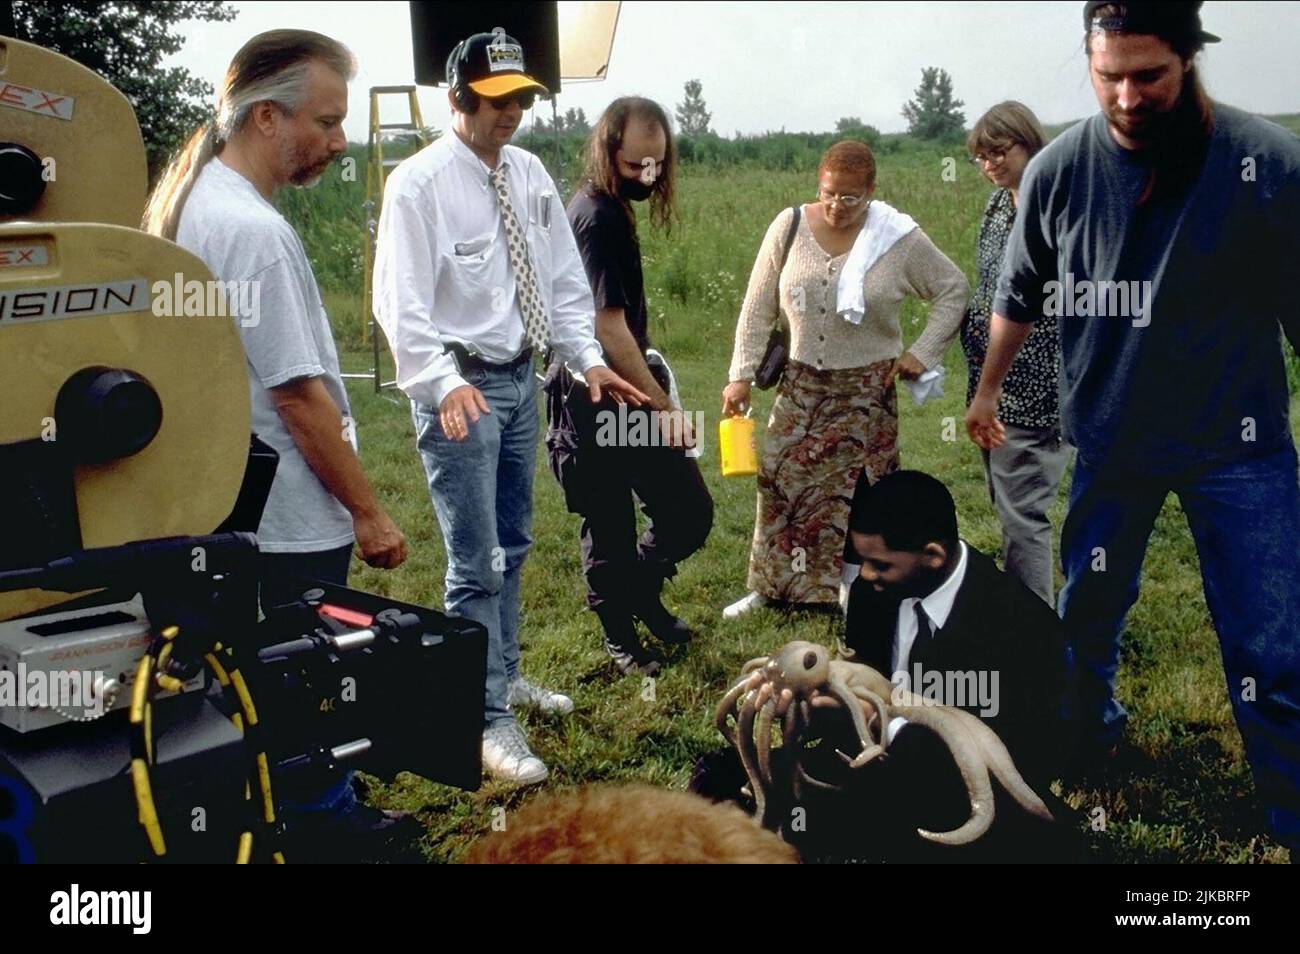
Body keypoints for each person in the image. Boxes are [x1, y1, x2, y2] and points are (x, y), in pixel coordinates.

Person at [965, 1, 1300, 851]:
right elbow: (1019, 295)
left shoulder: (1265, 163)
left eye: (1147, 74)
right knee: (1088, 613)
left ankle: (1289, 808)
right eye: (1106, 73)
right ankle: (1089, 741)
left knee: (1271, 643)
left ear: (1190, 60)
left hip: (1241, 449)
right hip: (1112, 441)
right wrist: (988, 389)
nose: (1124, 94)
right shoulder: (1057, 172)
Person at [144, 30, 414, 861]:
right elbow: (299, 398)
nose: (339, 141)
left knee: (238, 667)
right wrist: (368, 512)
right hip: (289, 508)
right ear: (266, 116)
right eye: (326, 122)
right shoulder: (253, 231)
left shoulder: (191, 202)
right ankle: (320, 811)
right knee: (303, 661)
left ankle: (262, 799)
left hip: (219, 498)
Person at [372, 30, 647, 786]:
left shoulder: (526, 174)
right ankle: (484, 715)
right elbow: (401, 307)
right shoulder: (420, 185)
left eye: (522, 99)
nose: (512, 114)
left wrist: (586, 362)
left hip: (522, 381)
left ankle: (507, 671)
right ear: (457, 98)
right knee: (473, 561)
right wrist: (438, 381)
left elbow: (561, 280)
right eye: (496, 102)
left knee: (514, 541)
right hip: (458, 388)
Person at [693, 470, 1076, 862]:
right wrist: (819, 707)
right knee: (717, 779)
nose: (866, 575)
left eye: (880, 564)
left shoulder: (1022, 627)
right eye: (862, 561)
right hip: (865, 764)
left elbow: (1026, 757)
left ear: (932, 556)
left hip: (957, 788)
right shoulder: (872, 592)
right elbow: (859, 684)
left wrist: (881, 723)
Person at [720, 140, 969, 619]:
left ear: (871, 192)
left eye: (850, 198)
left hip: (865, 390)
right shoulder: (789, 226)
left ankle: (853, 585)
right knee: (779, 479)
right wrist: (740, 376)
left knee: (860, 491)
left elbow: (953, 289)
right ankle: (772, 585)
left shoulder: (897, 240)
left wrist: (924, 350)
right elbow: (757, 307)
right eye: (829, 193)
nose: (837, 206)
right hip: (800, 384)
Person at [544, 97, 714, 675]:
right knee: (609, 521)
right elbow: (605, 325)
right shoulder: (596, 216)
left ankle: (638, 593)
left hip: (629, 389)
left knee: (689, 512)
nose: (649, 176)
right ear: (607, 149)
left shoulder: (613, 206)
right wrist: (665, 407)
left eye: (658, 165)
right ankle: (619, 634)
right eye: (638, 164)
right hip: (591, 397)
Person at [961, 101, 1070, 606]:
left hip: (1033, 383)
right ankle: (1024, 610)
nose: (990, 165)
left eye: (1000, 152)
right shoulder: (999, 204)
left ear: (1030, 143)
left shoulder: (1056, 207)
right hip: (992, 384)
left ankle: (1035, 630)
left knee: (1023, 510)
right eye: (981, 156)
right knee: (1008, 502)